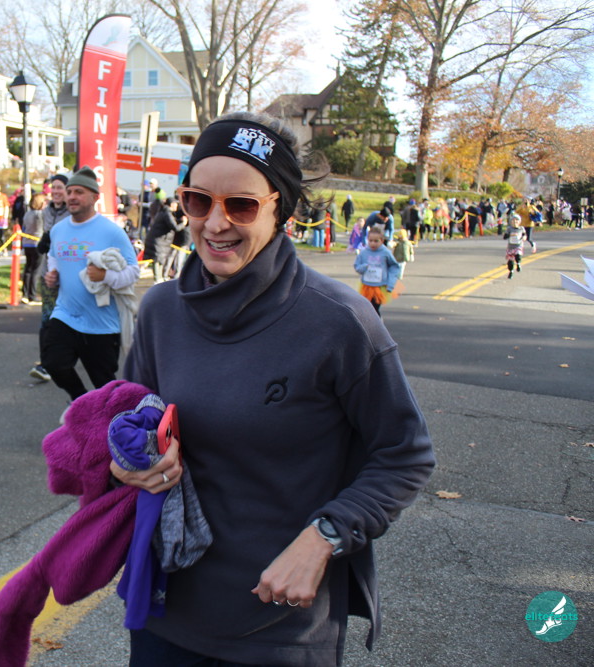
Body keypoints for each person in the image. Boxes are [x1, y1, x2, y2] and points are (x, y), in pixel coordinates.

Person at [114, 112, 434, 665]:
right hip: (167, 612)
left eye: (241, 205)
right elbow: (122, 418)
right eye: (197, 201)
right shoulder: (161, 309)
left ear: (279, 209)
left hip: (280, 625)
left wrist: (325, 536)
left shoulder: (339, 321)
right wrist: (124, 463)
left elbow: (405, 455)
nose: (215, 223)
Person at [41, 166, 139, 415]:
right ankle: (80, 402)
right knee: (54, 363)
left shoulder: (111, 231)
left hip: (102, 323)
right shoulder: (58, 229)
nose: (72, 197)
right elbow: (54, 256)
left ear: (95, 197)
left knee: (104, 384)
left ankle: (115, 421)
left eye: (79, 192)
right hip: (65, 314)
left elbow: (133, 272)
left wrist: (106, 276)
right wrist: (53, 274)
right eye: (70, 192)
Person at [29, 174, 71, 383]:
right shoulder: (45, 212)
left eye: (59, 187)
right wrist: (44, 243)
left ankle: (66, 358)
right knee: (47, 320)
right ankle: (45, 364)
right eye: (53, 187)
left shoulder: (73, 213)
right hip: (48, 275)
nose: (55, 191)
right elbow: (44, 242)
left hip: (70, 275)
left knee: (67, 320)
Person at [354, 226, 401, 316]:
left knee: (375, 309)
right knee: (367, 308)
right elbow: (357, 266)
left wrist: (391, 283)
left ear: (382, 241)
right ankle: (369, 322)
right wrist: (363, 267)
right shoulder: (364, 252)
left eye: (376, 241)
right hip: (366, 286)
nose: (373, 243)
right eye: (370, 240)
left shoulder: (385, 252)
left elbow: (394, 267)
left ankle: (377, 322)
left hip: (379, 286)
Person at [144, 197, 181, 284]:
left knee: (160, 260)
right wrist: (183, 223)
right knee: (157, 260)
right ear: (171, 204)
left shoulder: (163, 211)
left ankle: (159, 278)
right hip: (158, 241)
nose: (176, 206)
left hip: (160, 241)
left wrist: (179, 221)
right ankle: (157, 279)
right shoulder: (167, 213)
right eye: (175, 204)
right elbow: (174, 227)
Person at [20, 192, 45, 303]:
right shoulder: (40, 215)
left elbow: (24, 228)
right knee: (36, 270)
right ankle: (32, 295)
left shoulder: (27, 214)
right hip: (37, 243)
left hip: (27, 243)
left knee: (28, 269)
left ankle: (25, 293)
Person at [504, 213, 525, 279]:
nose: (515, 221)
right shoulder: (509, 229)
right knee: (510, 261)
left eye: (517, 220)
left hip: (518, 245)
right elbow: (505, 237)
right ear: (511, 221)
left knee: (518, 255)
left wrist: (524, 237)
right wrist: (509, 235)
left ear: (519, 222)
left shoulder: (521, 228)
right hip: (510, 246)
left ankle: (518, 264)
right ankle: (511, 271)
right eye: (513, 220)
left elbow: (524, 235)